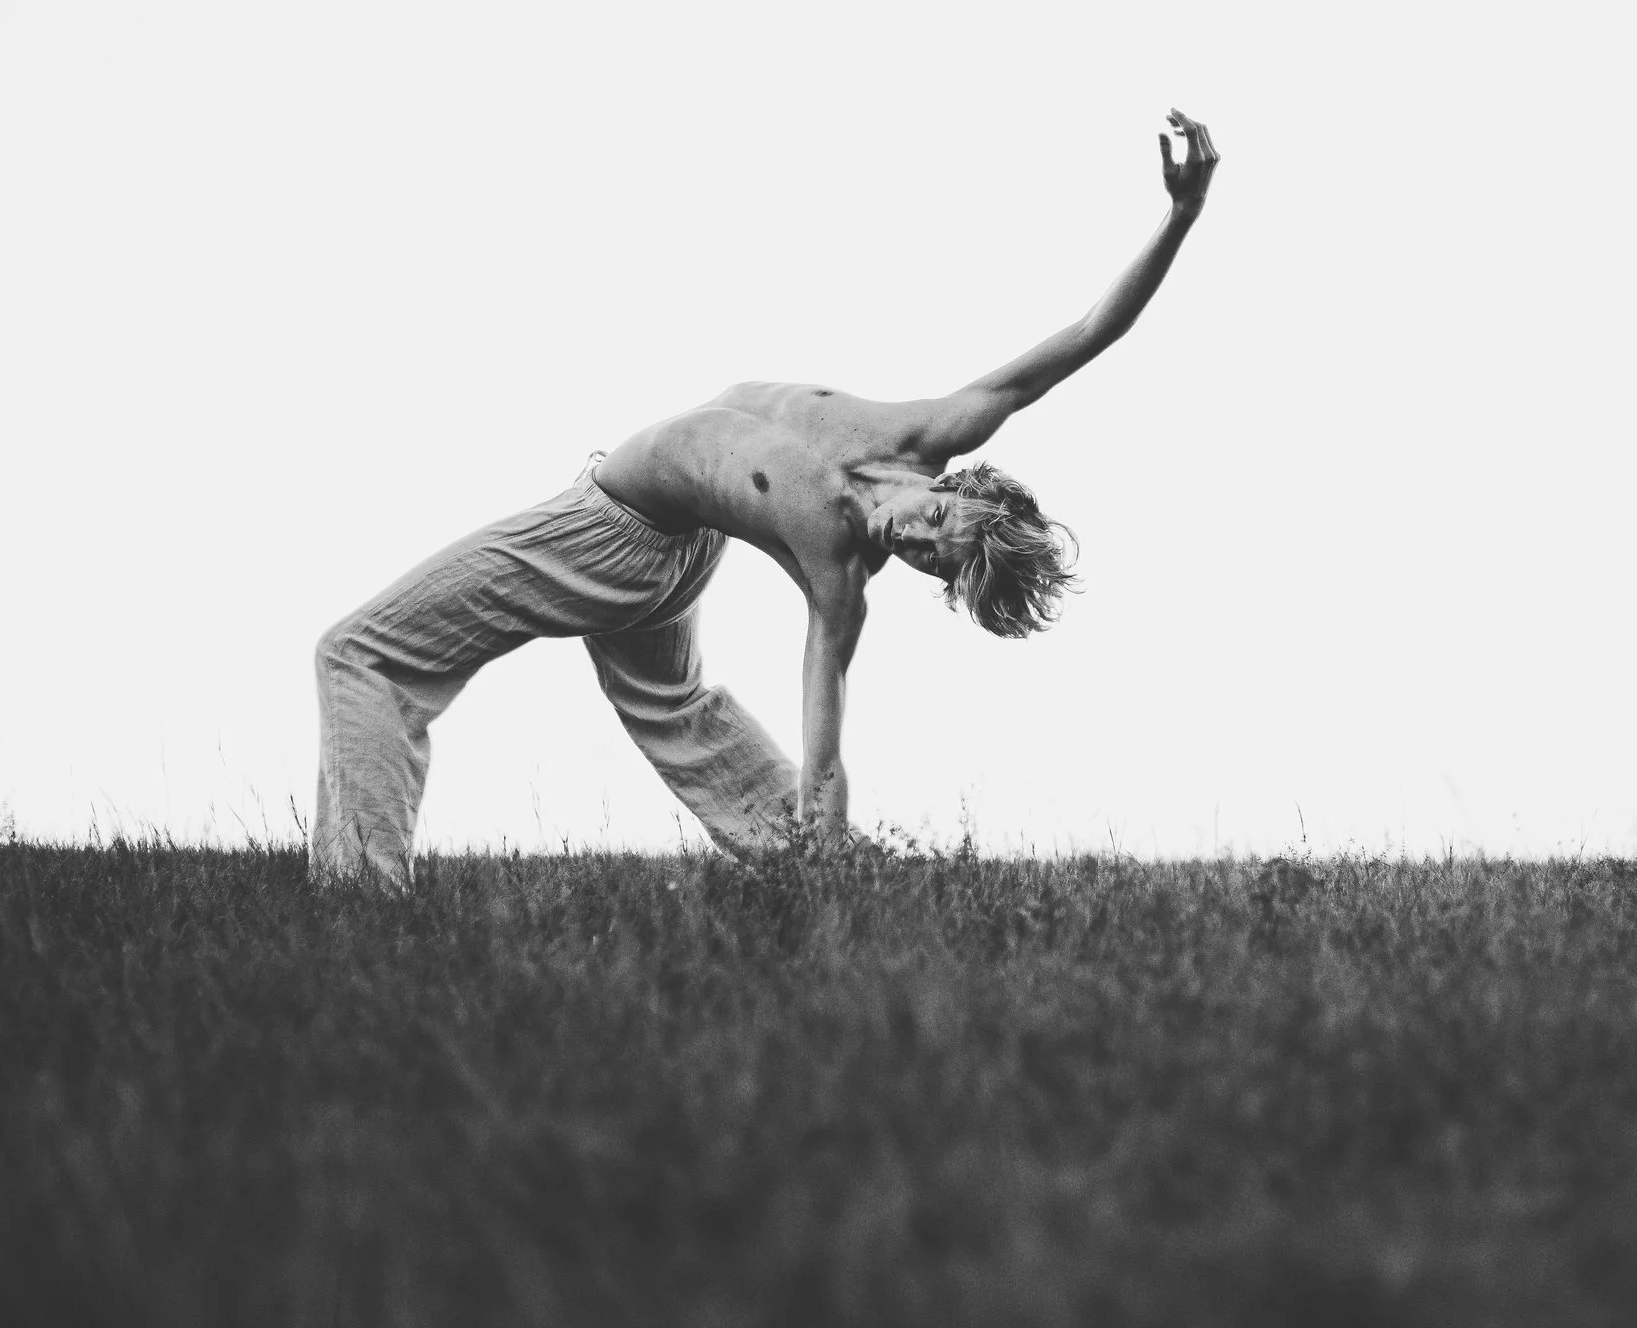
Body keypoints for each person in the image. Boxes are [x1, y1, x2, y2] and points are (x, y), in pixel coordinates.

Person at [310, 110, 1220, 887]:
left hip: (607, 534)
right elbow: (1085, 337)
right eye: (938, 523)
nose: (914, 541)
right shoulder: (926, 427)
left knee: (362, 654)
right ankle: (831, 882)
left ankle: (359, 901)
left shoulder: (837, 568)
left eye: (930, 562)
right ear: (960, 481)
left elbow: (824, 747)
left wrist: (829, 821)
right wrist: (1181, 215)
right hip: (678, 556)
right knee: (681, 712)